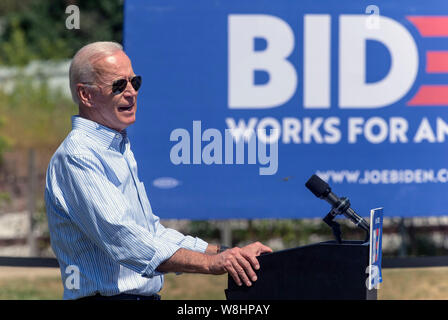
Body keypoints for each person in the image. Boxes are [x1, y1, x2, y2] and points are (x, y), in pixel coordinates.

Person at [44, 41, 272, 300]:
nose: (131, 92)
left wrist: (228, 252)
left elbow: (151, 233)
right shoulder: (78, 155)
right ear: (86, 95)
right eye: (119, 85)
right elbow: (127, 241)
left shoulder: (116, 146)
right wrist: (213, 264)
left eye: (135, 82)